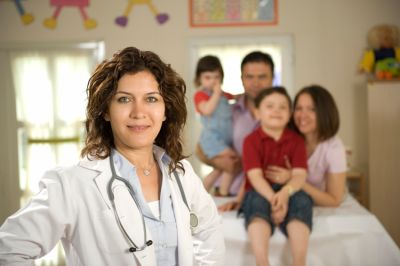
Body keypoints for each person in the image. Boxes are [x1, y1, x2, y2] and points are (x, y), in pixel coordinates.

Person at [0, 47, 225, 265]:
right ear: (106, 110)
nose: (139, 113)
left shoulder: (181, 172)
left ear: (166, 110)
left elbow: (209, 230)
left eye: (151, 99)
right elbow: (8, 251)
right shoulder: (71, 184)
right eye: (124, 99)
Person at [220, 84, 347, 211]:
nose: (303, 115)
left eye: (312, 109)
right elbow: (255, 173)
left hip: (302, 200)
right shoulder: (282, 135)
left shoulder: (333, 147)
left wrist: (292, 180)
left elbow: (334, 200)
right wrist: (239, 200)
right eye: (298, 108)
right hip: (281, 199)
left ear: (324, 112)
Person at [241, 87, 312, 266]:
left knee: (302, 201)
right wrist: (274, 199)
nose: (276, 110)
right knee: (255, 203)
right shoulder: (251, 140)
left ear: (290, 114)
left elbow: (299, 175)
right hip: (261, 190)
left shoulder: (296, 141)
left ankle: (299, 262)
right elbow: (255, 177)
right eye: (270, 106)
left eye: (283, 107)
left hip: (288, 189)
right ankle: (262, 261)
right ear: (257, 112)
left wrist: (285, 193)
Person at [196, 51, 275, 196]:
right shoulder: (228, 111)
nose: (256, 83)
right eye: (250, 77)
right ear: (242, 79)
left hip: (267, 195)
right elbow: (200, 148)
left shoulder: (283, 115)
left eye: (262, 77)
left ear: (272, 78)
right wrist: (220, 163)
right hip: (227, 195)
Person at [193, 55, 238, 196]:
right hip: (211, 140)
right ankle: (223, 192)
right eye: (207, 77)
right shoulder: (200, 95)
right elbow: (207, 110)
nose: (213, 81)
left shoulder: (224, 95)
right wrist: (217, 94)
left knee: (221, 169)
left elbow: (237, 98)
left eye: (216, 77)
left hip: (223, 140)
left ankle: (203, 194)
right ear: (199, 79)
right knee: (234, 159)